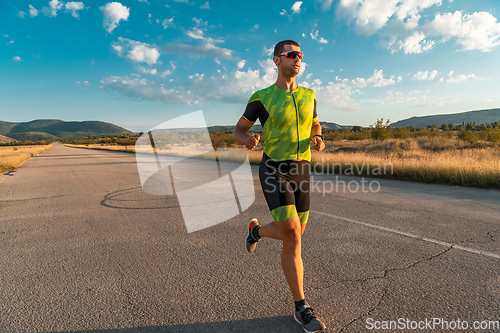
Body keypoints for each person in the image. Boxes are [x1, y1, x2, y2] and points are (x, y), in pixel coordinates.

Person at [232, 40, 326, 333]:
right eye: (291, 55)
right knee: (293, 234)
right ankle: (301, 307)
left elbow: (314, 124)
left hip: (302, 169)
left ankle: (256, 231)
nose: (297, 59)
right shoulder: (262, 97)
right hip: (274, 167)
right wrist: (245, 140)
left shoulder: (310, 95)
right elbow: (238, 130)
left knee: (293, 235)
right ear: (277, 60)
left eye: (300, 55)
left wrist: (318, 137)